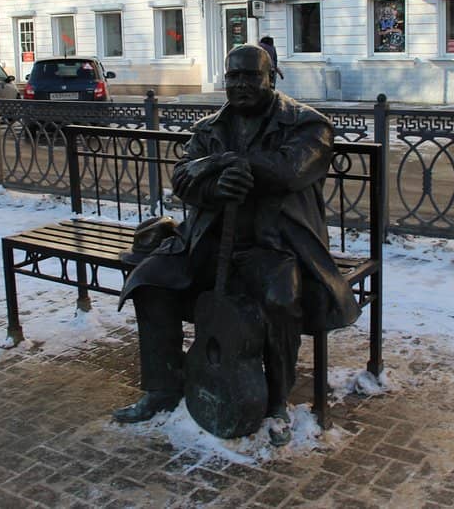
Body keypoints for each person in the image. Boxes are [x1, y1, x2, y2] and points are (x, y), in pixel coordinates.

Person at [112, 44, 360, 446]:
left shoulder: (307, 125)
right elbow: (183, 179)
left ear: (272, 77)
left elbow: (290, 171)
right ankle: (162, 388)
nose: (241, 84)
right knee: (151, 281)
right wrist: (214, 182)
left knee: (281, 296)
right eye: (233, 76)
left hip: (275, 245)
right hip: (209, 239)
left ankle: (278, 402)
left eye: (251, 76)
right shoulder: (211, 126)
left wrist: (222, 165)